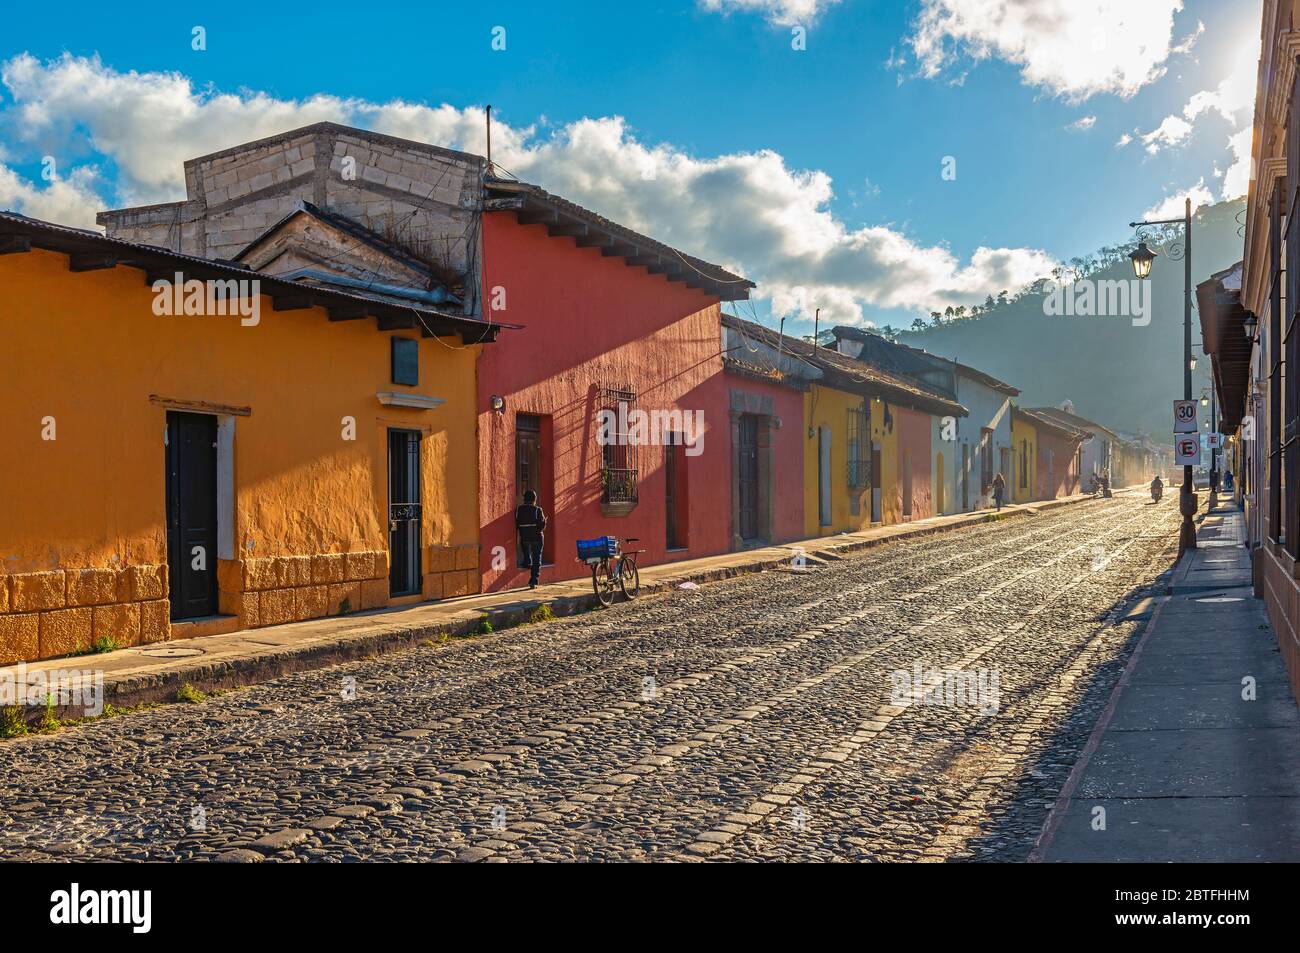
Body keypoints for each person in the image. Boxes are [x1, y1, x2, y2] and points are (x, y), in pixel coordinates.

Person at [514, 489, 547, 589]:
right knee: (537, 558)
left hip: (524, 537)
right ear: (534, 499)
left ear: (524, 499)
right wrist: (545, 522)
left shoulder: (518, 509)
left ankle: (527, 562)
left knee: (525, 546)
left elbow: (517, 524)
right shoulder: (538, 510)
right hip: (536, 538)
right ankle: (534, 580)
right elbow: (541, 527)